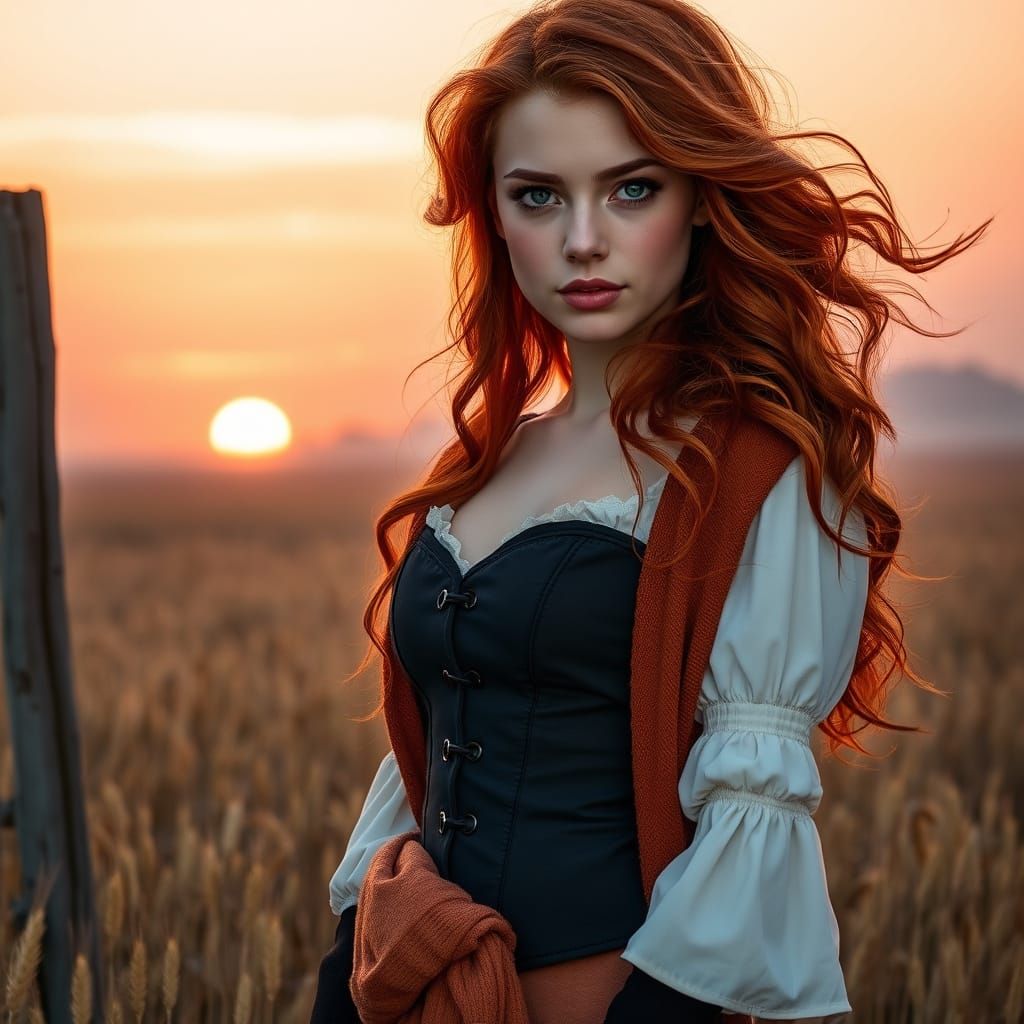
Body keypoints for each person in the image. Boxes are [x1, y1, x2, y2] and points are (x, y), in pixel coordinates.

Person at [310, 1, 989, 1021]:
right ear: (494, 213)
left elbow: (752, 805)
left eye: (632, 188)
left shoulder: (759, 472)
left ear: (703, 198)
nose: (583, 241)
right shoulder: (481, 464)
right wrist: (349, 967)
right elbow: (431, 745)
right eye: (538, 195)